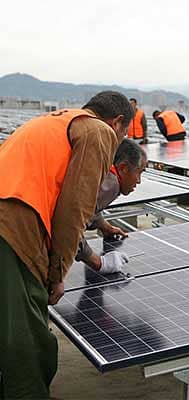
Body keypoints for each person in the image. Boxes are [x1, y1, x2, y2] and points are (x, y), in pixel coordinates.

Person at [0, 91, 133, 399]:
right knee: (28, 339)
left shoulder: (56, 121)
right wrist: (57, 273)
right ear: (118, 122)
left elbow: (59, 183)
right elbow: (75, 206)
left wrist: (100, 224)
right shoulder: (99, 131)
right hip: (13, 226)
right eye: (123, 134)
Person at [76, 138, 147, 273]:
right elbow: (68, 225)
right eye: (139, 172)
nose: (138, 181)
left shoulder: (101, 172)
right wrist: (98, 262)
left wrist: (104, 226)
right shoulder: (110, 185)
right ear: (123, 168)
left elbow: (86, 206)